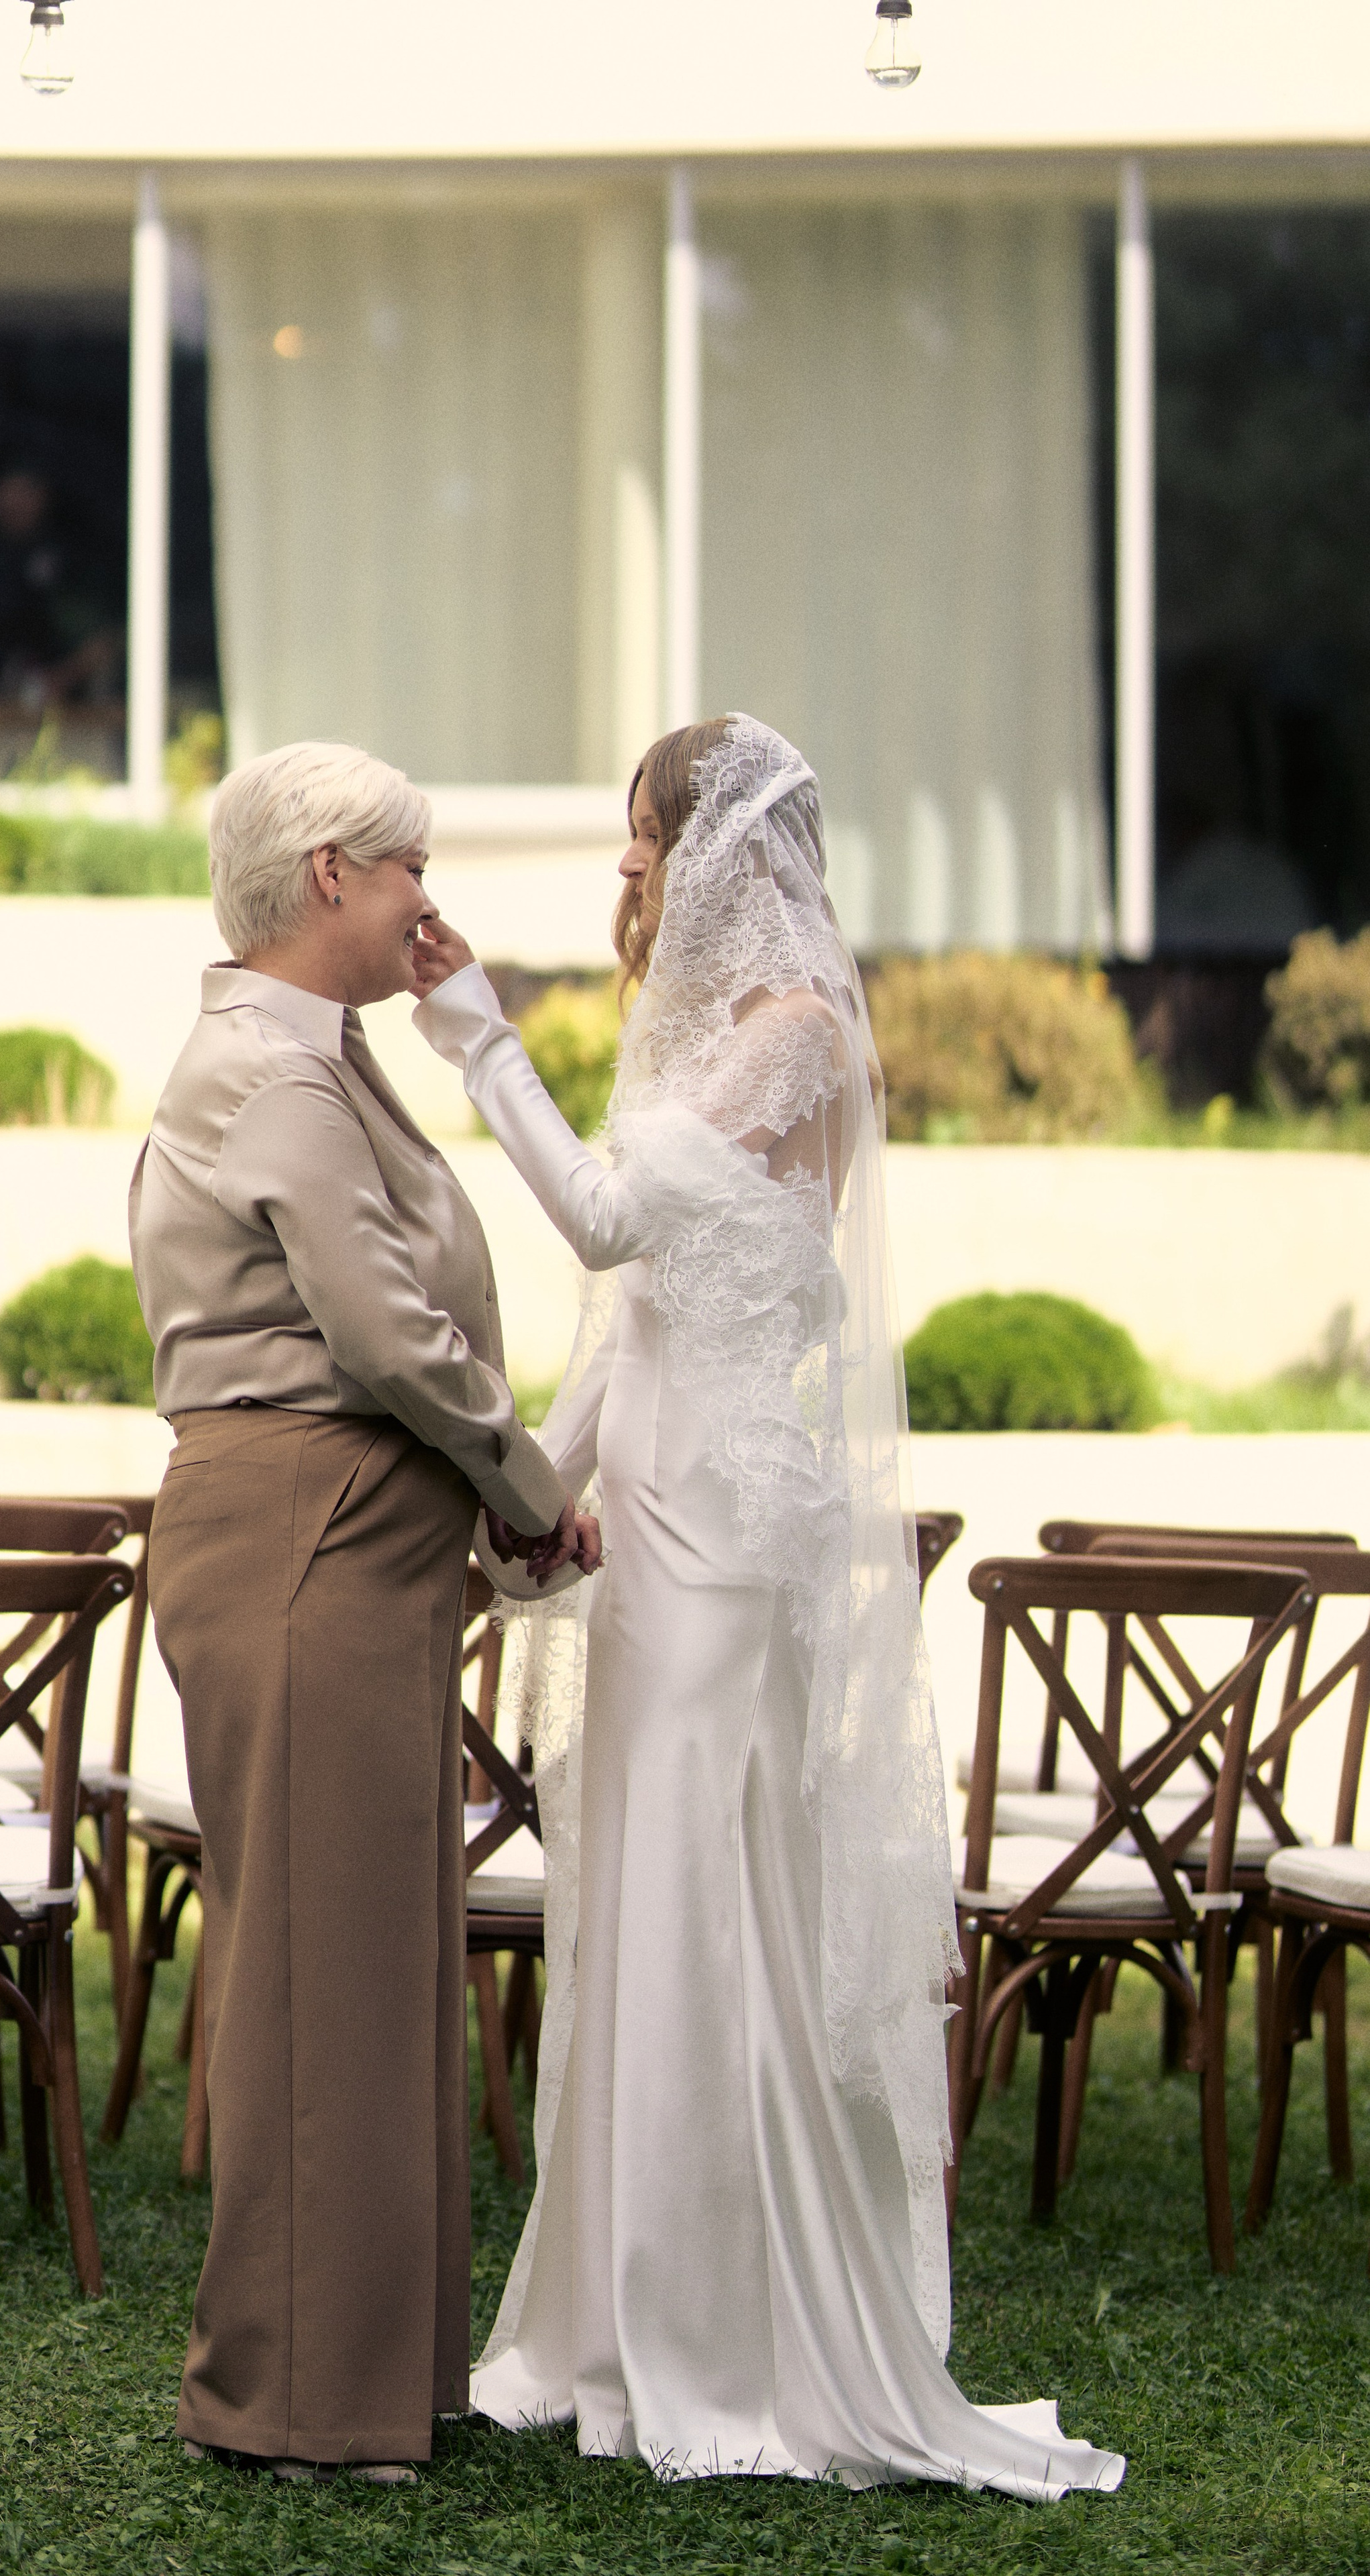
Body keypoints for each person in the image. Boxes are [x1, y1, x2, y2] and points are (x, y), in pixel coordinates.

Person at [409, 715, 1124, 2498]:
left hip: (727, 1536)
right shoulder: (702, 1039)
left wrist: (478, 1029)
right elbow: (630, 1323)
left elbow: (592, 1221)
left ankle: (729, 2332)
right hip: (643, 1512)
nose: (632, 867)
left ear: (724, 846)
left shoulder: (797, 1041)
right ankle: (601, 2319)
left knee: (708, 1905)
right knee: (634, 1898)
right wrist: (535, 1499)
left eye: (646, 836)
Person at [128, 741, 597, 2484]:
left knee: (374, 1962)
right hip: (308, 1533)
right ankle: (294, 2406)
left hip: (350, 1544)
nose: (428, 903)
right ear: (330, 872)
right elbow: (390, 1330)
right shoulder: (276, 1068)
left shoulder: (320, 1057)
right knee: (322, 1973)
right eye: (408, 870)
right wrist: (535, 1493)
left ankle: (384, 2383)